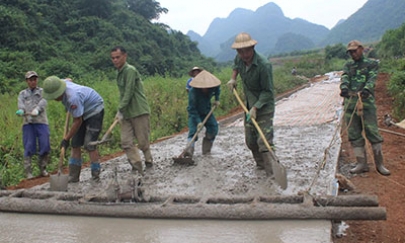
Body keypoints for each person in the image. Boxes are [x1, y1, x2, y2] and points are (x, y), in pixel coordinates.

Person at [227, 32, 275, 175]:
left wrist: (256, 107)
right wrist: (233, 78)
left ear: (253, 47)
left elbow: (268, 91)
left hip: (264, 106)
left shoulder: (263, 65)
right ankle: (260, 166)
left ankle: (271, 171)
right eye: (240, 51)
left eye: (247, 50)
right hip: (248, 105)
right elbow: (236, 66)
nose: (244, 54)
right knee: (251, 141)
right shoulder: (239, 58)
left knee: (264, 141)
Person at [339, 40, 390, 176]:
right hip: (351, 103)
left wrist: (366, 89)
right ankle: (361, 163)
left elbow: (372, 78)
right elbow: (345, 76)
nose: (353, 54)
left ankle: (380, 164)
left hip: (366, 103)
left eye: (354, 51)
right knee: (354, 134)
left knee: (372, 132)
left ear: (361, 49)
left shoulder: (371, 64)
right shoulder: (348, 65)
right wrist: (344, 87)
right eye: (350, 52)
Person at [42, 76, 105, 182]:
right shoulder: (61, 83)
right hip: (81, 111)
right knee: (75, 144)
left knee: (90, 144)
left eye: (55, 96)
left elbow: (78, 121)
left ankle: (95, 176)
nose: (54, 98)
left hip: (94, 109)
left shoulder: (73, 98)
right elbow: (69, 79)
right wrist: (69, 139)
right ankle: (73, 176)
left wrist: (66, 139)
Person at [110, 46, 153, 175]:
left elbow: (128, 92)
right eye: (113, 58)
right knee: (126, 141)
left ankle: (148, 160)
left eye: (117, 57)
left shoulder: (130, 70)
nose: (115, 60)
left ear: (125, 56)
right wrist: (122, 111)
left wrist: (120, 109)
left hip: (139, 110)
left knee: (142, 141)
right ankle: (137, 166)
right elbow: (123, 94)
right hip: (127, 112)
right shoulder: (119, 73)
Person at [16, 71, 51, 179]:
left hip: (41, 122)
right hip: (28, 123)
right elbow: (21, 104)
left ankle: (43, 168)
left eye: (35, 79)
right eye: (31, 80)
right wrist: (21, 111)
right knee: (29, 146)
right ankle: (28, 172)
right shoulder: (22, 94)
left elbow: (43, 102)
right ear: (27, 81)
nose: (33, 82)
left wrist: (37, 109)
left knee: (45, 144)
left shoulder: (42, 92)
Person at [183, 70, 221, 158]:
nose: (205, 88)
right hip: (195, 113)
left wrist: (217, 99)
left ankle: (206, 152)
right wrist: (198, 122)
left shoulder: (212, 87)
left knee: (213, 128)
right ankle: (189, 151)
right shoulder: (193, 92)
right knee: (193, 131)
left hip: (206, 111)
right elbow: (191, 108)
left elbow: (218, 88)